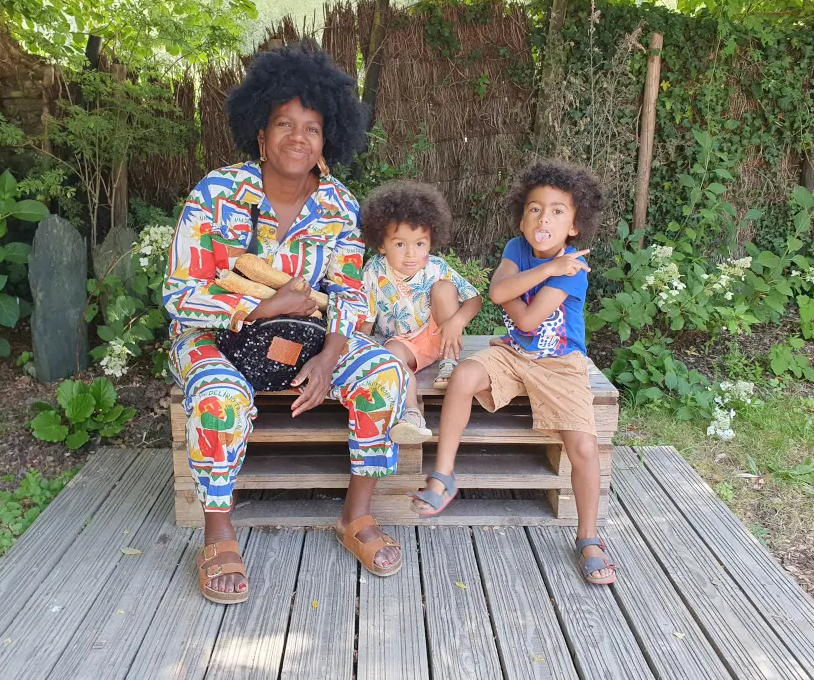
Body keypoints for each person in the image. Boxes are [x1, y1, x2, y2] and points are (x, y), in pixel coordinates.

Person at [164, 42, 416, 604]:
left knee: (382, 372)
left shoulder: (339, 208)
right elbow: (180, 295)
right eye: (284, 123)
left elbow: (350, 294)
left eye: (312, 127)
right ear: (260, 133)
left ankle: (357, 516)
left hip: (307, 342)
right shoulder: (215, 194)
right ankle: (218, 533)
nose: (297, 136)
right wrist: (259, 308)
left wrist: (330, 358)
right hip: (213, 336)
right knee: (218, 396)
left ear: (328, 142)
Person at [408, 161, 616, 585]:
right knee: (464, 375)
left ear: (575, 226)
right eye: (535, 209)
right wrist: (541, 272)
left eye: (558, 211)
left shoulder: (573, 269)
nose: (544, 219)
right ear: (522, 217)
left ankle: (589, 538)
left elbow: (523, 315)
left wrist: (531, 286)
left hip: (560, 364)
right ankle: (444, 475)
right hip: (513, 354)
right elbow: (497, 292)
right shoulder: (516, 249)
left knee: (585, 447)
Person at [358, 181, 483, 435]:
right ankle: (412, 415)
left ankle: (450, 362)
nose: (411, 254)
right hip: (402, 345)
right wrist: (356, 346)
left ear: (431, 242)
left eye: (420, 244)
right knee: (391, 355)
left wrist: (456, 322)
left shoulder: (435, 267)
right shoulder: (373, 270)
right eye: (400, 244)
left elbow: (474, 298)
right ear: (381, 244)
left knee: (444, 288)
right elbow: (367, 318)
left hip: (439, 336)